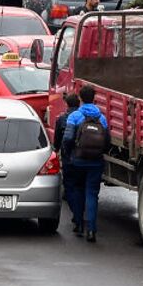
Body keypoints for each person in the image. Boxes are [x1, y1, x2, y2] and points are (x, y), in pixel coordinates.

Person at [62, 84, 110, 241]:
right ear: (94, 99)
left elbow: (68, 138)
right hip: (95, 162)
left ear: (80, 99)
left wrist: (69, 155)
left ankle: (78, 223)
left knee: (77, 190)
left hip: (78, 160)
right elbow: (107, 141)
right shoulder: (101, 118)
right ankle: (92, 229)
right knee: (92, 194)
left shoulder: (74, 116)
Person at [54, 91, 82, 230]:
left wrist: (57, 152)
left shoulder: (62, 119)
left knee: (69, 188)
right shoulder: (85, 117)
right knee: (81, 187)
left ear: (66, 104)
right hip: (83, 157)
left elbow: (57, 143)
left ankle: (77, 216)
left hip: (68, 159)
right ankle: (80, 214)